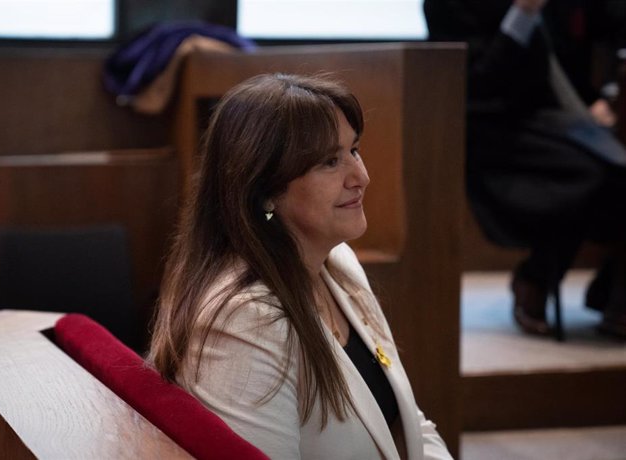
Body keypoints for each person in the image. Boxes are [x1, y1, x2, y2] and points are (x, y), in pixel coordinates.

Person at [148, 73, 452, 459]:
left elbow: (410, 424)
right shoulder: (244, 320)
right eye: (330, 162)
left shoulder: (338, 262)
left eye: (354, 151)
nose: (361, 177)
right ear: (265, 189)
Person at [424, 0, 626, 338]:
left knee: (614, 170)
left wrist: (608, 93)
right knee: (590, 174)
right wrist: (523, 13)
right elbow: (478, 84)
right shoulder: (450, 6)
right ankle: (537, 277)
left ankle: (607, 294)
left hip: (556, 119)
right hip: (492, 127)